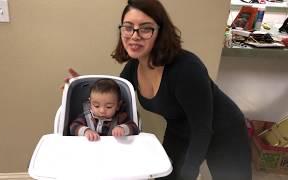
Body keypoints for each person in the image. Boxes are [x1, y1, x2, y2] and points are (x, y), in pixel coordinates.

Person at [65, 0, 252, 179]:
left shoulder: (186, 68)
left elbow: (202, 128)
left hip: (223, 130)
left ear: (160, 32)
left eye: (145, 28)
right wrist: (81, 85)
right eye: (128, 27)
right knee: (166, 174)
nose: (134, 35)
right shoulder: (133, 67)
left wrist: (190, 171)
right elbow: (112, 96)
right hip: (179, 129)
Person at [69, 78, 139, 141]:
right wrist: (86, 131)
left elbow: (134, 128)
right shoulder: (86, 116)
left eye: (108, 107)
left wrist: (122, 129)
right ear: (90, 103)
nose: (102, 111)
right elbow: (73, 127)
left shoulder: (121, 117)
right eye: (96, 106)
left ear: (118, 105)